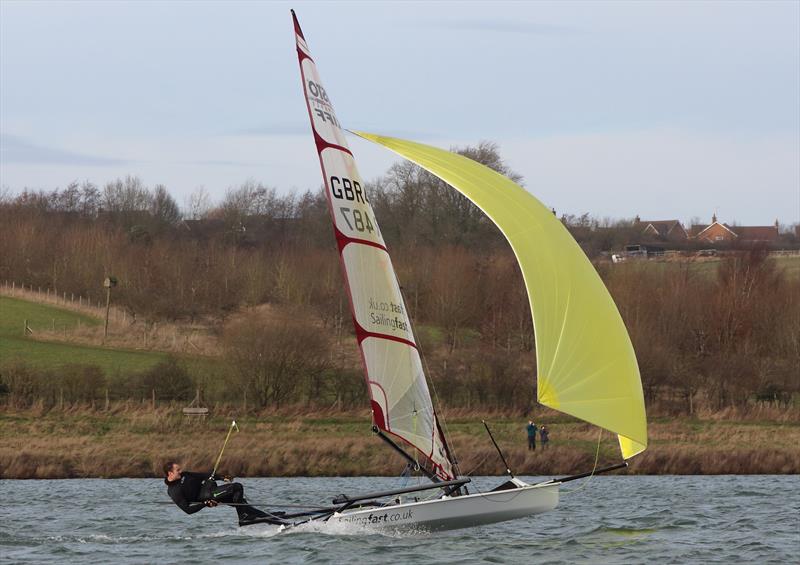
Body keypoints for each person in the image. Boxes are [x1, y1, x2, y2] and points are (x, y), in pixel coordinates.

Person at [163, 461, 279, 526]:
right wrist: (205, 504)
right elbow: (187, 510)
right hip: (208, 497)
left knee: (240, 501)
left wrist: (222, 477)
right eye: (177, 470)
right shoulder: (174, 491)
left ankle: (265, 516)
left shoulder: (184, 475)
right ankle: (243, 517)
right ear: (170, 473)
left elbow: (203, 475)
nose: (181, 471)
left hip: (211, 490)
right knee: (237, 487)